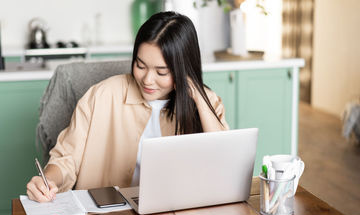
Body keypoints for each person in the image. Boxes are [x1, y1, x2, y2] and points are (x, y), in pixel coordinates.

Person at [26, 11, 229, 202]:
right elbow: (66, 159)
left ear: (182, 69)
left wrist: (197, 95)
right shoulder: (102, 95)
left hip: (176, 213)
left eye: (161, 72)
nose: (148, 80)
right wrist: (49, 181)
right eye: (140, 65)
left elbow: (223, 164)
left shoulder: (206, 102)